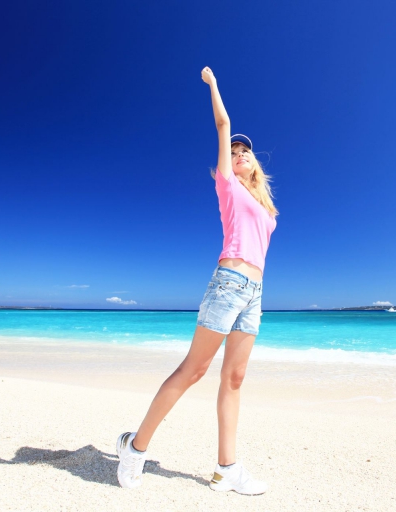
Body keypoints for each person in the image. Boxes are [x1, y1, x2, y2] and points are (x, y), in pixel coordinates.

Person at [115, 66, 278, 496]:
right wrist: (214, 85)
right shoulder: (228, 187)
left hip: (255, 293)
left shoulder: (266, 208)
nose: (239, 153)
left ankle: (227, 469)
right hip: (229, 283)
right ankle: (135, 447)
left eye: (246, 152)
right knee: (194, 369)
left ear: (256, 163)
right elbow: (224, 125)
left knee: (234, 379)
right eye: (235, 151)